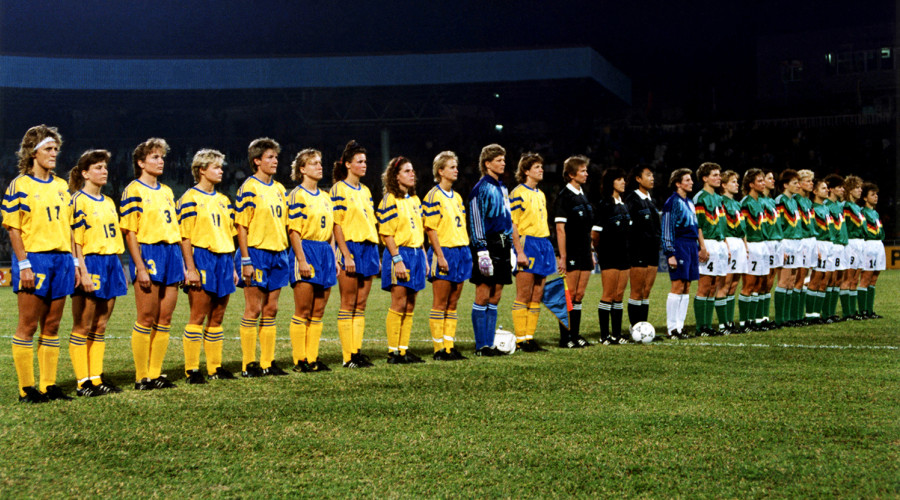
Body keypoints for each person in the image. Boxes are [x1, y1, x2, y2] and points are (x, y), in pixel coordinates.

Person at [3, 125, 77, 402]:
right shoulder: (19, 185)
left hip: (62, 259)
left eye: (56, 149)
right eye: (48, 148)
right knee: (28, 325)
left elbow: (69, 227)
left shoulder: (61, 186)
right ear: (33, 152)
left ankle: (48, 385)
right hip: (35, 259)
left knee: (53, 325)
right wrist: (23, 265)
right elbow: (13, 228)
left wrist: (76, 261)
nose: (54, 154)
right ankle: (26, 389)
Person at [121, 138, 182, 390]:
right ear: (141, 162)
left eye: (162, 157)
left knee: (165, 318)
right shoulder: (133, 190)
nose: (161, 161)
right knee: (146, 316)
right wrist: (141, 266)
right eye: (155, 157)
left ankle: (155, 373)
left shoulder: (167, 191)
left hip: (172, 252)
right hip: (149, 252)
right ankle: (141, 376)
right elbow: (130, 232)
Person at [68, 149, 127, 396]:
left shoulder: (109, 201)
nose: (104, 171)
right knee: (83, 324)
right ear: (85, 173)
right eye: (98, 168)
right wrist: (80, 269)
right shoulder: (76, 201)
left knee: (101, 324)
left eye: (105, 167)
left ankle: (95, 378)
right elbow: (75, 240)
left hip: (111, 261)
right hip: (89, 263)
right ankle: (83, 383)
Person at [177, 149, 238, 384]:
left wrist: (232, 267)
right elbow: (185, 237)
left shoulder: (224, 201)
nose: (221, 170)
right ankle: (192, 369)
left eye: (221, 166)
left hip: (224, 259)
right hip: (203, 257)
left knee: (218, 316)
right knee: (198, 315)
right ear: (201, 170)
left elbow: (228, 235)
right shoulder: (189, 199)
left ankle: (215, 367)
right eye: (216, 166)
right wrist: (190, 268)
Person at [235, 138, 290, 377]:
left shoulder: (279, 189)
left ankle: (268, 362)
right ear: (257, 161)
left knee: (272, 309)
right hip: (256, 253)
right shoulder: (249, 188)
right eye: (269, 157)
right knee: (253, 308)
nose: (275, 161)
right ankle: (249, 364)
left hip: (278, 252)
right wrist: (245, 260)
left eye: (276, 157)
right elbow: (241, 227)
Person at [468, 144, 528, 356]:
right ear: (487, 163)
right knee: (483, 294)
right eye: (499, 160)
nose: (503, 163)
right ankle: (480, 346)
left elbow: (509, 221)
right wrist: (481, 250)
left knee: (496, 296)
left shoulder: (502, 189)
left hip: (503, 245)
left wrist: (512, 248)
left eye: (504, 159)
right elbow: (476, 220)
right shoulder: (480, 188)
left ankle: (490, 343)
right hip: (488, 244)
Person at [330, 141, 379, 368]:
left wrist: (375, 254)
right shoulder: (339, 189)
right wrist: (346, 255)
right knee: (347, 302)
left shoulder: (367, 191)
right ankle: (347, 356)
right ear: (348, 164)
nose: (364, 165)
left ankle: (356, 352)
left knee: (361, 304)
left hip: (368, 248)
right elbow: (336, 225)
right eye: (359, 162)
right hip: (350, 247)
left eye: (365, 162)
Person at [287, 148, 335, 373]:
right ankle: (300, 360)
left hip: (325, 251)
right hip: (306, 249)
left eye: (320, 162)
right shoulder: (297, 195)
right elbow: (294, 231)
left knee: (319, 310)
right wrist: (302, 260)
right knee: (303, 309)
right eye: (314, 163)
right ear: (302, 169)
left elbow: (333, 229)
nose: (319, 166)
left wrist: (334, 255)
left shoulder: (326, 197)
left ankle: (312, 358)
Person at [378, 157, 428, 364]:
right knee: (398, 302)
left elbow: (419, 232)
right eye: (407, 171)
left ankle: (403, 349)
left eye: (412, 170)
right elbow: (387, 233)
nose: (412, 174)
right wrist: (397, 260)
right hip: (401, 254)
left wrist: (424, 257)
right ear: (395, 176)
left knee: (411, 304)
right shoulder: (390, 199)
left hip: (416, 253)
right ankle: (392, 352)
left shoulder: (415, 200)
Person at [423, 151, 471, 360]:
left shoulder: (458, 197)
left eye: (456, 166)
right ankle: (438, 349)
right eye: (451, 167)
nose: (456, 170)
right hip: (444, 251)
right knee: (440, 302)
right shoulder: (433, 196)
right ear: (440, 171)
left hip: (461, 250)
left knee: (453, 303)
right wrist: (440, 255)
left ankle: (449, 346)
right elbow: (430, 229)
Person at [509, 153, 552, 352]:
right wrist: (519, 251)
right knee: (524, 293)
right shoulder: (517, 193)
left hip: (543, 243)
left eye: (541, 167)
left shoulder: (540, 194)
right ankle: (520, 339)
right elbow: (513, 225)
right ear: (526, 171)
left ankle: (529, 337)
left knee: (537, 293)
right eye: (536, 167)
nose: (541, 170)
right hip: (527, 244)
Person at [554, 155, 595, 348]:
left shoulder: (582, 195)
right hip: (571, 252)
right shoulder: (564, 197)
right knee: (569, 296)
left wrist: (592, 251)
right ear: (571, 174)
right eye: (582, 171)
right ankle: (565, 338)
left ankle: (575, 335)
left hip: (585, 252)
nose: (586, 174)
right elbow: (560, 229)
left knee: (579, 295)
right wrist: (562, 256)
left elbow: (587, 229)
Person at [592, 167, 632, 344]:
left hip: (624, 254)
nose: (623, 182)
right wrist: (600, 253)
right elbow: (595, 234)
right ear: (611, 183)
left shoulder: (623, 204)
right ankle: (604, 335)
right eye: (619, 179)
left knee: (619, 295)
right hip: (609, 254)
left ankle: (617, 334)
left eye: (624, 179)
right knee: (608, 294)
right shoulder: (605, 204)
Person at [661, 168, 698, 339]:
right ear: (678, 183)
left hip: (691, 246)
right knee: (677, 284)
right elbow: (667, 229)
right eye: (687, 180)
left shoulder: (689, 202)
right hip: (680, 245)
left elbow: (695, 227)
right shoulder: (671, 202)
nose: (691, 183)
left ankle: (680, 327)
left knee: (687, 286)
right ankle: (671, 329)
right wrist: (670, 253)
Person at [692, 162, 727, 336]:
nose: (719, 178)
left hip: (719, 243)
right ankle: (701, 327)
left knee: (714, 286)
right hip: (708, 243)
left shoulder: (719, 199)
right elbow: (697, 225)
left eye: (719, 174)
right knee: (704, 286)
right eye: (714, 175)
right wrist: (702, 246)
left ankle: (708, 325)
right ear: (705, 178)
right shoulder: (700, 198)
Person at [624, 164, 661, 329]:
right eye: (648, 175)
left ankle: (643, 326)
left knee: (646, 291)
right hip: (638, 250)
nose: (652, 178)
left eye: (652, 175)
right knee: (637, 291)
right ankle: (635, 327)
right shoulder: (632, 200)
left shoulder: (651, 200)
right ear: (638, 179)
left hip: (652, 250)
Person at [738, 169, 769, 332]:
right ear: (751, 184)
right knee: (749, 284)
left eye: (764, 180)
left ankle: (753, 320)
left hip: (762, 244)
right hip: (751, 244)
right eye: (760, 181)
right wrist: (746, 247)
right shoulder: (746, 202)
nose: (763, 183)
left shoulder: (760, 202)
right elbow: (742, 226)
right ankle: (744, 322)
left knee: (759, 284)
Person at [773, 169, 804, 328]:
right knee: (784, 280)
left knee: (792, 281)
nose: (798, 185)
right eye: (794, 183)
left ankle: (789, 317)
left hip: (796, 242)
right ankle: (780, 318)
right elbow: (777, 223)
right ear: (785, 185)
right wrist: (780, 246)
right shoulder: (780, 200)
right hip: (785, 241)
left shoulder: (794, 201)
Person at [720, 170, 746, 333]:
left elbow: (742, 227)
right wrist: (725, 244)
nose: (737, 184)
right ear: (724, 185)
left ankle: (729, 321)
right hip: (728, 240)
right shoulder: (720, 202)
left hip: (739, 243)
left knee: (734, 284)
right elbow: (720, 224)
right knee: (726, 283)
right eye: (733, 182)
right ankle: (723, 323)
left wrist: (745, 244)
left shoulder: (737, 204)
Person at [807, 178, 833, 324]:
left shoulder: (826, 208)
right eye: (823, 188)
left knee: (825, 280)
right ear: (815, 191)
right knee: (816, 279)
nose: (827, 190)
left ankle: (818, 313)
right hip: (819, 243)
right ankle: (811, 314)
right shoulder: (813, 208)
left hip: (829, 244)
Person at [840, 175, 865, 320]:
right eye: (857, 188)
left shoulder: (857, 207)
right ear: (849, 190)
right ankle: (846, 312)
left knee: (855, 279)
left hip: (860, 243)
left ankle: (852, 310)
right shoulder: (845, 206)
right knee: (847, 278)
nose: (860, 190)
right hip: (850, 243)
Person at [823, 174, 847, 322]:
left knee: (838, 279)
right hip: (833, 243)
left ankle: (831, 312)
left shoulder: (839, 205)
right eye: (839, 187)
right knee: (829, 279)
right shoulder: (826, 206)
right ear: (830, 189)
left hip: (842, 245)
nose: (842, 190)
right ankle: (826, 313)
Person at [794, 170, 817, 324]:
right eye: (808, 181)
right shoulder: (795, 200)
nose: (811, 184)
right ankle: (795, 315)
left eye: (812, 181)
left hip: (810, 239)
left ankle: (803, 313)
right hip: (801, 240)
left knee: (807, 277)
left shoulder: (809, 202)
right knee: (799, 278)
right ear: (800, 183)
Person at [858, 182, 884, 319]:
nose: (876, 197)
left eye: (877, 194)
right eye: (872, 195)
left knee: (874, 279)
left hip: (878, 245)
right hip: (868, 245)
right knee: (866, 278)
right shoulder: (862, 213)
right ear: (865, 198)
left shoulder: (875, 213)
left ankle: (869, 310)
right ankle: (862, 310)